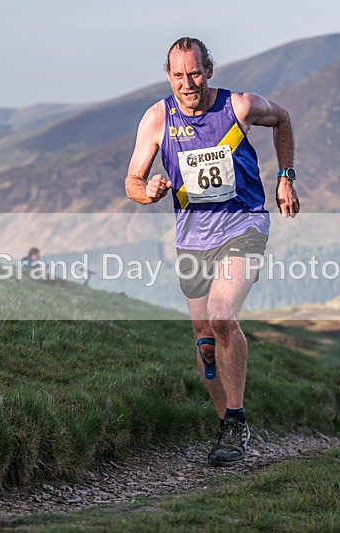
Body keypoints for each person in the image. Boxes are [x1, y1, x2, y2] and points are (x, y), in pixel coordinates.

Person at [124, 37, 299, 466]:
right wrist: (146, 192)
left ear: (209, 70)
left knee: (223, 316)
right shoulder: (157, 119)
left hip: (244, 226)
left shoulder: (237, 107)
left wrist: (286, 176)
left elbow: (283, 119)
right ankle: (227, 428)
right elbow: (132, 180)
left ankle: (236, 423)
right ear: (168, 75)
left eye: (195, 72)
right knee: (205, 342)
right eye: (179, 75)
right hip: (192, 239)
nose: (188, 83)